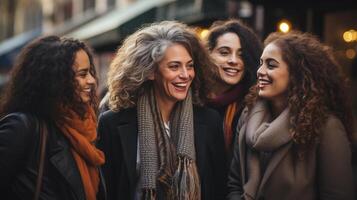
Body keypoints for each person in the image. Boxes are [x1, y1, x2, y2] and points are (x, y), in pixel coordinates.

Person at [97, 21, 226, 200]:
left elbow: (219, 188)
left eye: (189, 65)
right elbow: (107, 190)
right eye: (174, 66)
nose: (185, 74)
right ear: (150, 72)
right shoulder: (112, 123)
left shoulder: (210, 121)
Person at [227, 31, 355, 200]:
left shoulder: (325, 127)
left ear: (297, 74)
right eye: (261, 63)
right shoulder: (247, 116)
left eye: (271, 65)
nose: (260, 71)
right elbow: (235, 184)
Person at [0, 36, 105, 200]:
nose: (91, 80)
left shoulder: (87, 128)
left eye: (91, 72)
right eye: (83, 74)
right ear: (56, 79)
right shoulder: (22, 127)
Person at [205, 19, 262, 159]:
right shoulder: (189, 98)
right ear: (207, 54)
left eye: (241, 55)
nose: (234, 60)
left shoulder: (251, 106)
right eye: (224, 53)